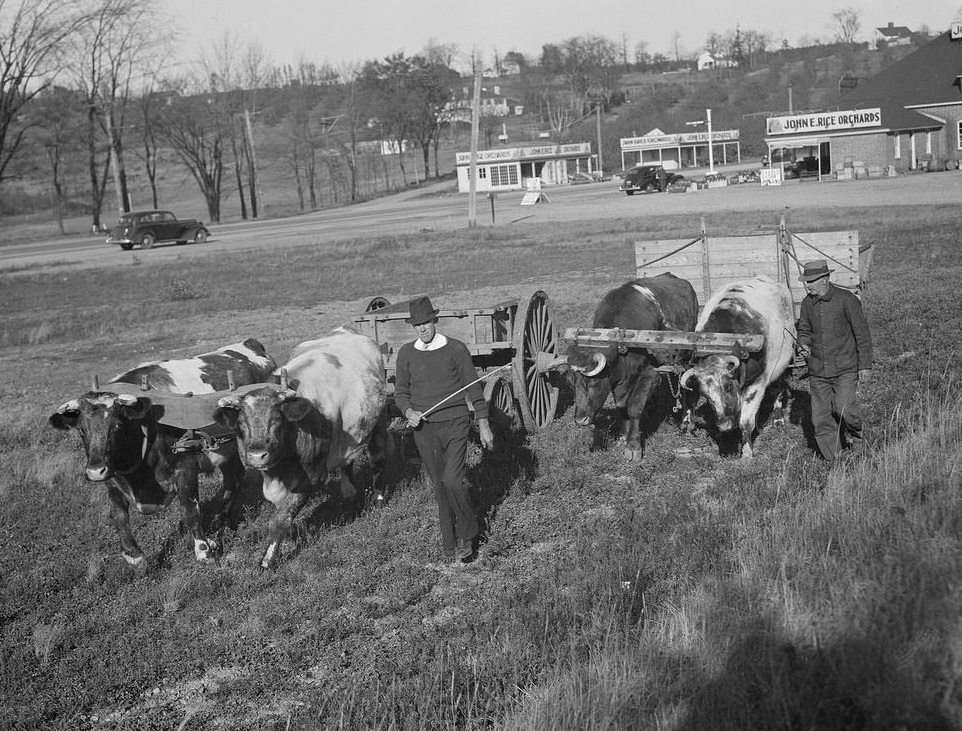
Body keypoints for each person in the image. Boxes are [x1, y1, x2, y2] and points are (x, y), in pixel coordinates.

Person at [394, 295, 495, 563]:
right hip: (424, 430)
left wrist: (483, 424)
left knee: (452, 479)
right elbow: (400, 393)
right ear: (413, 327)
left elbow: (474, 389)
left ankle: (468, 533)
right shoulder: (406, 353)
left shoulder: (456, 350)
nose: (422, 329)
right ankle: (449, 543)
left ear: (435, 320)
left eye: (426, 323)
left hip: (455, 423)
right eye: (417, 325)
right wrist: (409, 412)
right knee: (440, 485)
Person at [796, 259, 873, 462]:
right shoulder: (807, 304)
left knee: (844, 408)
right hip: (818, 370)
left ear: (825, 279)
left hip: (845, 368)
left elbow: (862, 334)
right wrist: (802, 344)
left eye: (811, 281)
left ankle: (857, 438)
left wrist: (865, 365)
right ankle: (835, 459)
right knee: (820, 419)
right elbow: (803, 329)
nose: (807, 285)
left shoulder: (847, 300)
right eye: (806, 281)